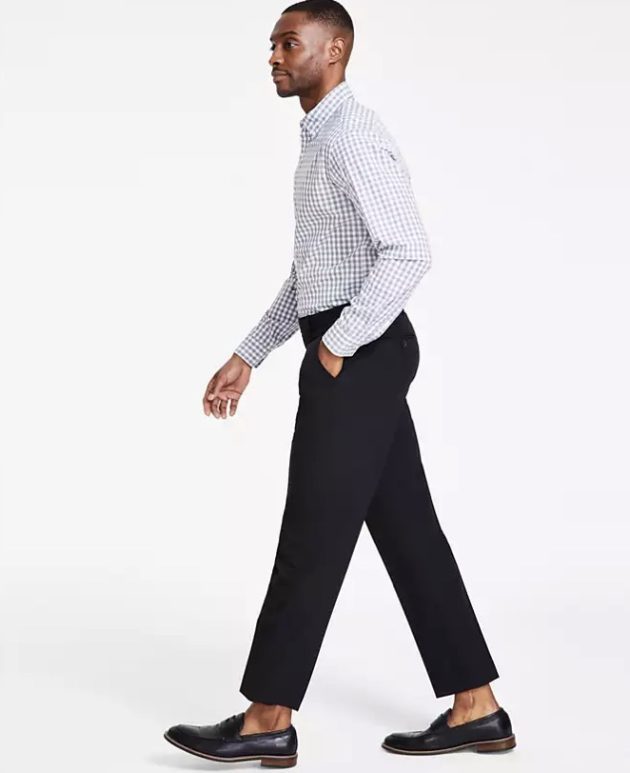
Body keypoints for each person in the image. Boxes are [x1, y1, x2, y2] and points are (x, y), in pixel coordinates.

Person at [164, 0, 516, 766]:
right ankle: (477, 706)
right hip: (356, 349)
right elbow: (313, 275)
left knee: (311, 537)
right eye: (271, 45)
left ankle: (267, 717)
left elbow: (410, 250)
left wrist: (337, 346)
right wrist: (250, 353)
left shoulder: (352, 135)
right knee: (410, 532)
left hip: (361, 354)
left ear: (335, 49)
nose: (273, 56)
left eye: (289, 43)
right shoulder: (320, 140)